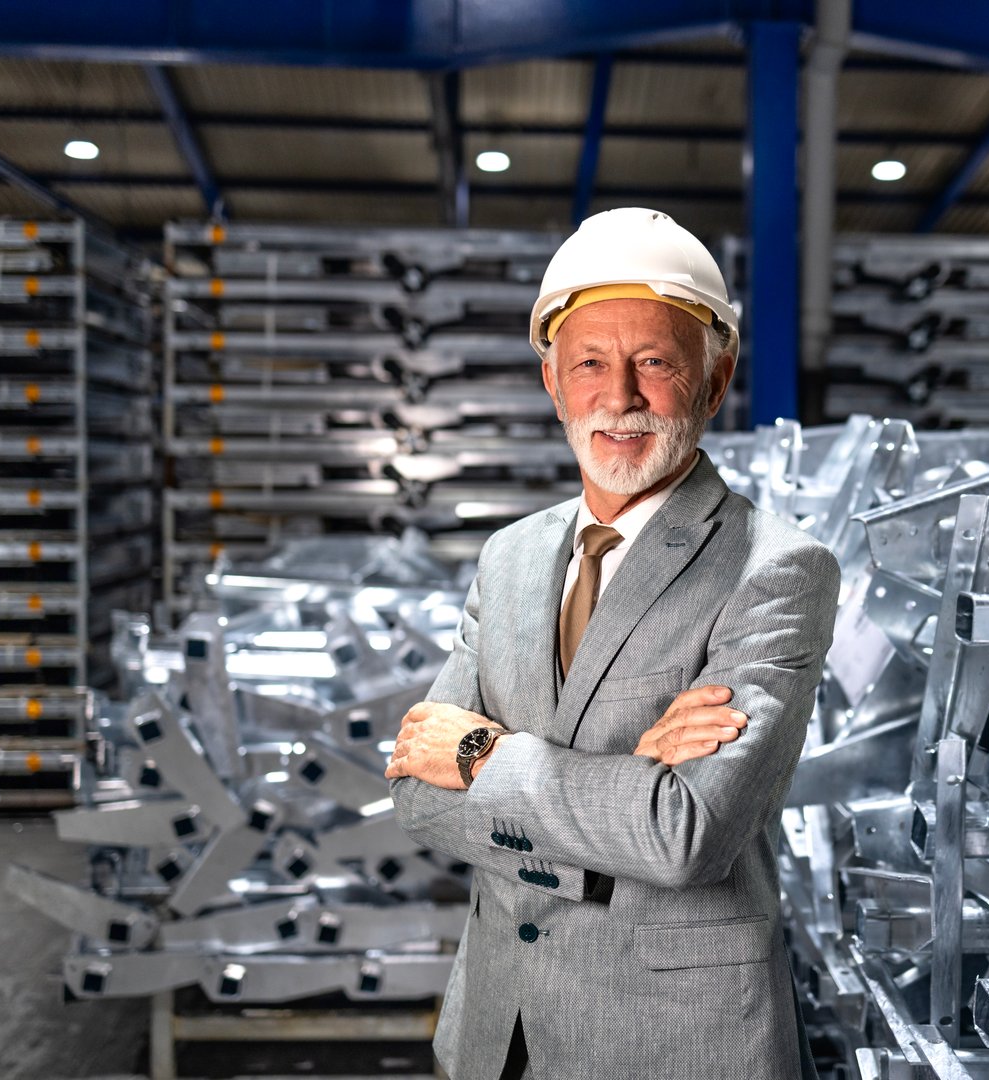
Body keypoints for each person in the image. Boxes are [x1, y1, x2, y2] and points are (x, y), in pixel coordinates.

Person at [386, 208, 840, 1080]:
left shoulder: (777, 569)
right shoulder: (510, 557)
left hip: (676, 1042)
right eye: (589, 363)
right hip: (498, 1029)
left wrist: (483, 753)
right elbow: (416, 791)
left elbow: (684, 834)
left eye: (655, 363)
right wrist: (623, 785)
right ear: (553, 380)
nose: (620, 396)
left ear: (715, 380)